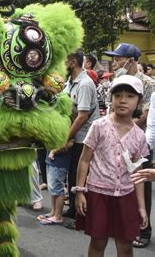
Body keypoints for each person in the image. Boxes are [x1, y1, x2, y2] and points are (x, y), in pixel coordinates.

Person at [74, 75, 149, 256]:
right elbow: (84, 159)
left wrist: (141, 207)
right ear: (111, 98)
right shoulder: (99, 126)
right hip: (98, 192)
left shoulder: (139, 136)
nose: (123, 100)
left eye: (130, 96)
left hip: (126, 195)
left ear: (139, 101)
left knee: (125, 245)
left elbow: (137, 173)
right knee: (98, 241)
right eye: (118, 95)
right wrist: (80, 191)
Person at [104, 43, 155, 247]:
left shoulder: (148, 83)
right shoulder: (117, 81)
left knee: (140, 182)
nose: (115, 63)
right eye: (114, 59)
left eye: (118, 58)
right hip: (114, 140)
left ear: (131, 60)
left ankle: (144, 230)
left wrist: (124, 128)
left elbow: (145, 116)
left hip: (139, 141)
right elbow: (110, 109)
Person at [62, 50, 100, 229]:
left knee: (80, 176)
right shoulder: (71, 82)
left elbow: (82, 115)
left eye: (63, 60)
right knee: (72, 173)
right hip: (75, 136)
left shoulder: (85, 83)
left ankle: (82, 217)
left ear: (72, 63)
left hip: (84, 137)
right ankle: (73, 211)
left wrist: (66, 136)